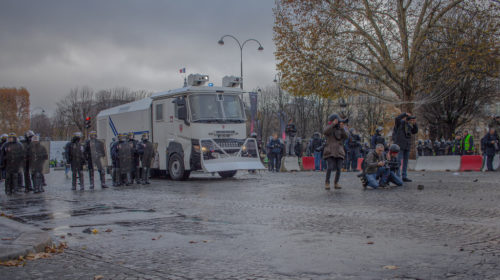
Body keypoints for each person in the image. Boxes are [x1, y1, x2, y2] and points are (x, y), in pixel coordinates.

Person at [323, 114, 348, 190]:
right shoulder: (329, 127)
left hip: (339, 150)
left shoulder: (340, 129)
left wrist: (342, 128)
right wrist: (333, 124)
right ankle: (327, 182)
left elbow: (346, 136)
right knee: (330, 167)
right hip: (330, 150)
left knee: (339, 168)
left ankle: (336, 182)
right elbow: (325, 131)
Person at [393, 112, 418, 182]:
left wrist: (414, 123)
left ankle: (404, 176)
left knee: (406, 162)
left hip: (407, 145)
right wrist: (405, 114)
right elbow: (397, 118)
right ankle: (398, 176)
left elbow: (415, 131)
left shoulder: (409, 125)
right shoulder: (399, 123)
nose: (409, 119)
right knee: (398, 161)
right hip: (400, 145)